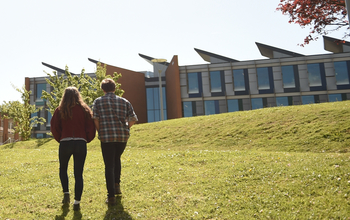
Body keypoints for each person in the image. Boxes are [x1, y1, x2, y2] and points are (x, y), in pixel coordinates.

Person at [92, 78, 138, 205]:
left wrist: (100, 131)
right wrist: (126, 128)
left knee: (109, 165)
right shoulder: (124, 101)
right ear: (115, 88)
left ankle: (111, 196)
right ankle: (117, 185)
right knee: (116, 158)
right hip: (122, 137)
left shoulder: (98, 102)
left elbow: (95, 118)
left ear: (102, 89)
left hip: (107, 137)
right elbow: (133, 118)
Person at [51, 86, 96, 211]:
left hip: (65, 142)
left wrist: (60, 138)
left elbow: (54, 127)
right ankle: (77, 202)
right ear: (78, 95)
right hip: (80, 142)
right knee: (78, 173)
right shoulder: (85, 109)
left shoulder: (60, 110)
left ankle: (66, 193)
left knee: (63, 169)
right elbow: (91, 126)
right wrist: (87, 138)